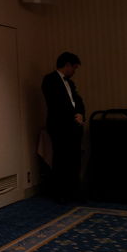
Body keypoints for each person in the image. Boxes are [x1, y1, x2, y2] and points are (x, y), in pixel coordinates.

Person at [41, 52, 85, 203]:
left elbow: (78, 100)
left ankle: (73, 191)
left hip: (73, 125)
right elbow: (56, 103)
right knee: (61, 158)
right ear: (67, 65)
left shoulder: (70, 83)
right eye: (74, 68)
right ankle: (61, 192)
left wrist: (80, 114)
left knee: (74, 159)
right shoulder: (49, 80)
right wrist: (73, 115)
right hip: (60, 125)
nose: (74, 71)